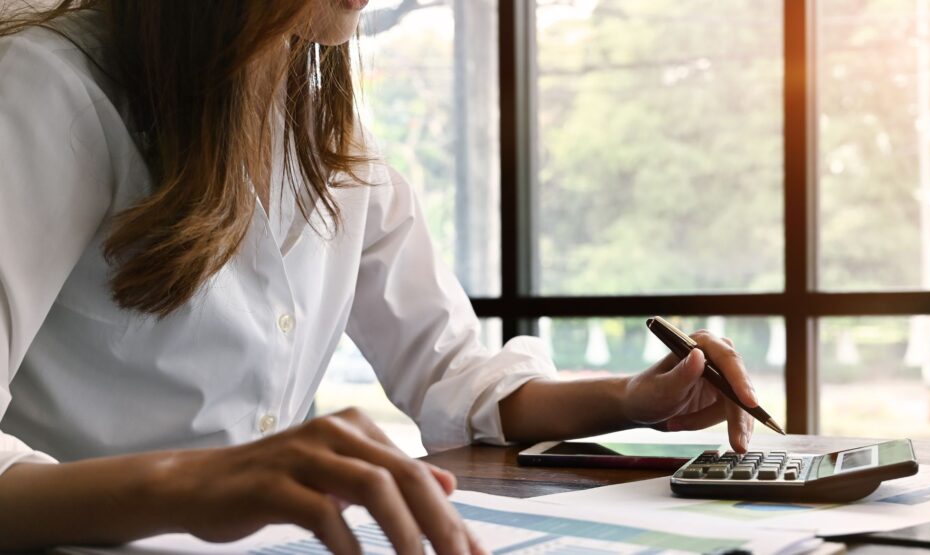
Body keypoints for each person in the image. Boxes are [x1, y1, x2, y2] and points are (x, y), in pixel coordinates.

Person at [0, 1, 758, 553]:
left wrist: (636, 397)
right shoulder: (48, 90)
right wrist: (192, 482)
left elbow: (452, 373)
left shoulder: (324, 128)